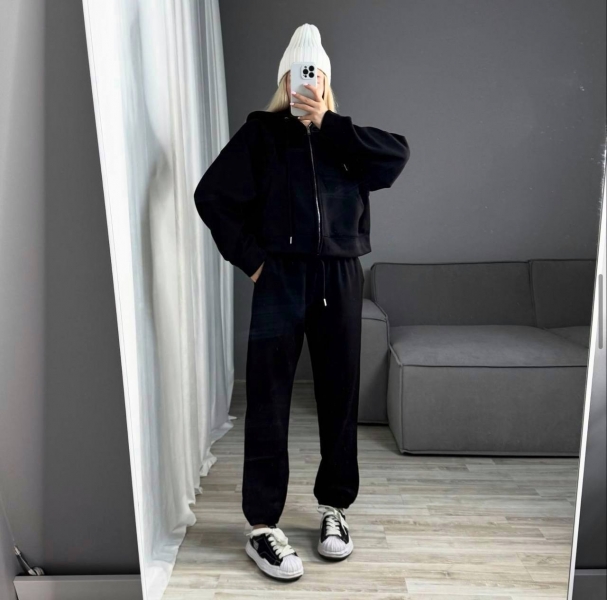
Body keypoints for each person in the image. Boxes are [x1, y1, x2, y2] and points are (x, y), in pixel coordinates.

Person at [194, 23, 410, 581]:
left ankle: (335, 507)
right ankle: (262, 526)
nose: (307, 83)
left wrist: (328, 124)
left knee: (339, 395)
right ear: (285, 80)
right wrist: (253, 261)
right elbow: (211, 195)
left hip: (340, 275)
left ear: (326, 82)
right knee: (268, 399)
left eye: (315, 75)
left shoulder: (346, 139)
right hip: (280, 278)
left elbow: (397, 156)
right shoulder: (261, 134)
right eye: (298, 74)